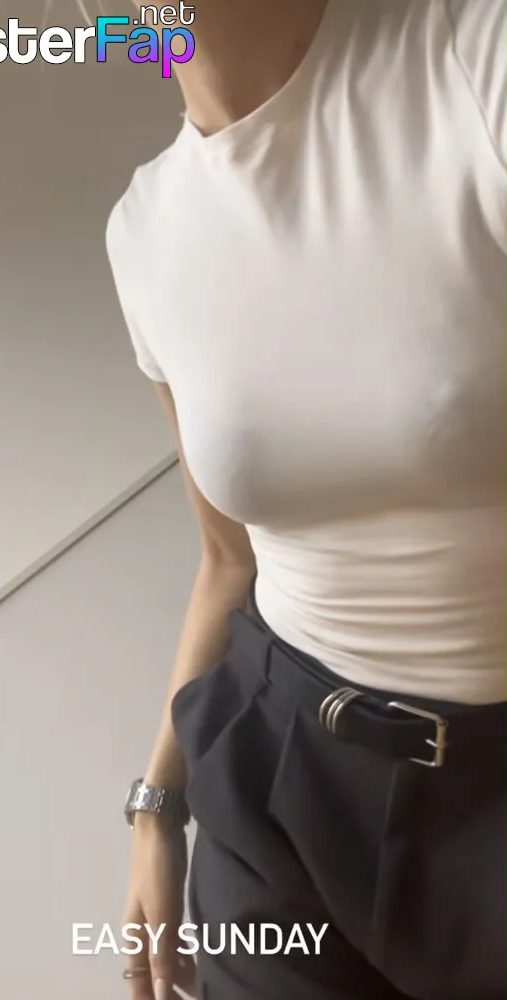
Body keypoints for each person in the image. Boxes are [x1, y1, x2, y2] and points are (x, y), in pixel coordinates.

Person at [106, 1, 506, 997]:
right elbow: (226, 559)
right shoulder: (143, 228)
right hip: (277, 776)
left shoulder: (471, 60)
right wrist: (158, 805)